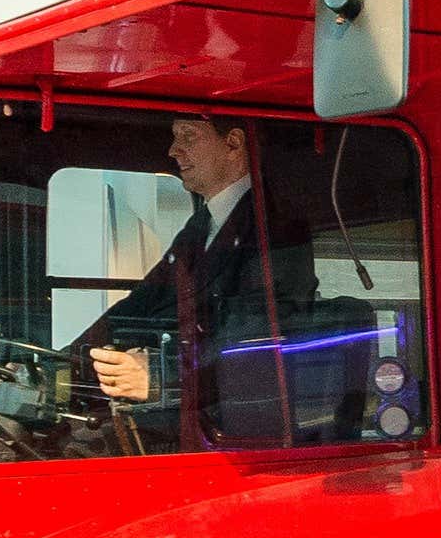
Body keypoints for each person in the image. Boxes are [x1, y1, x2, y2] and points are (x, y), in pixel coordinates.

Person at [76, 114, 323, 444]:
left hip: (235, 429)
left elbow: (256, 337)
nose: (174, 150)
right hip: (186, 413)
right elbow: (141, 302)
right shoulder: (199, 228)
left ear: (233, 143)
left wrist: (165, 377)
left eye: (188, 136)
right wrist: (64, 357)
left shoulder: (273, 226)